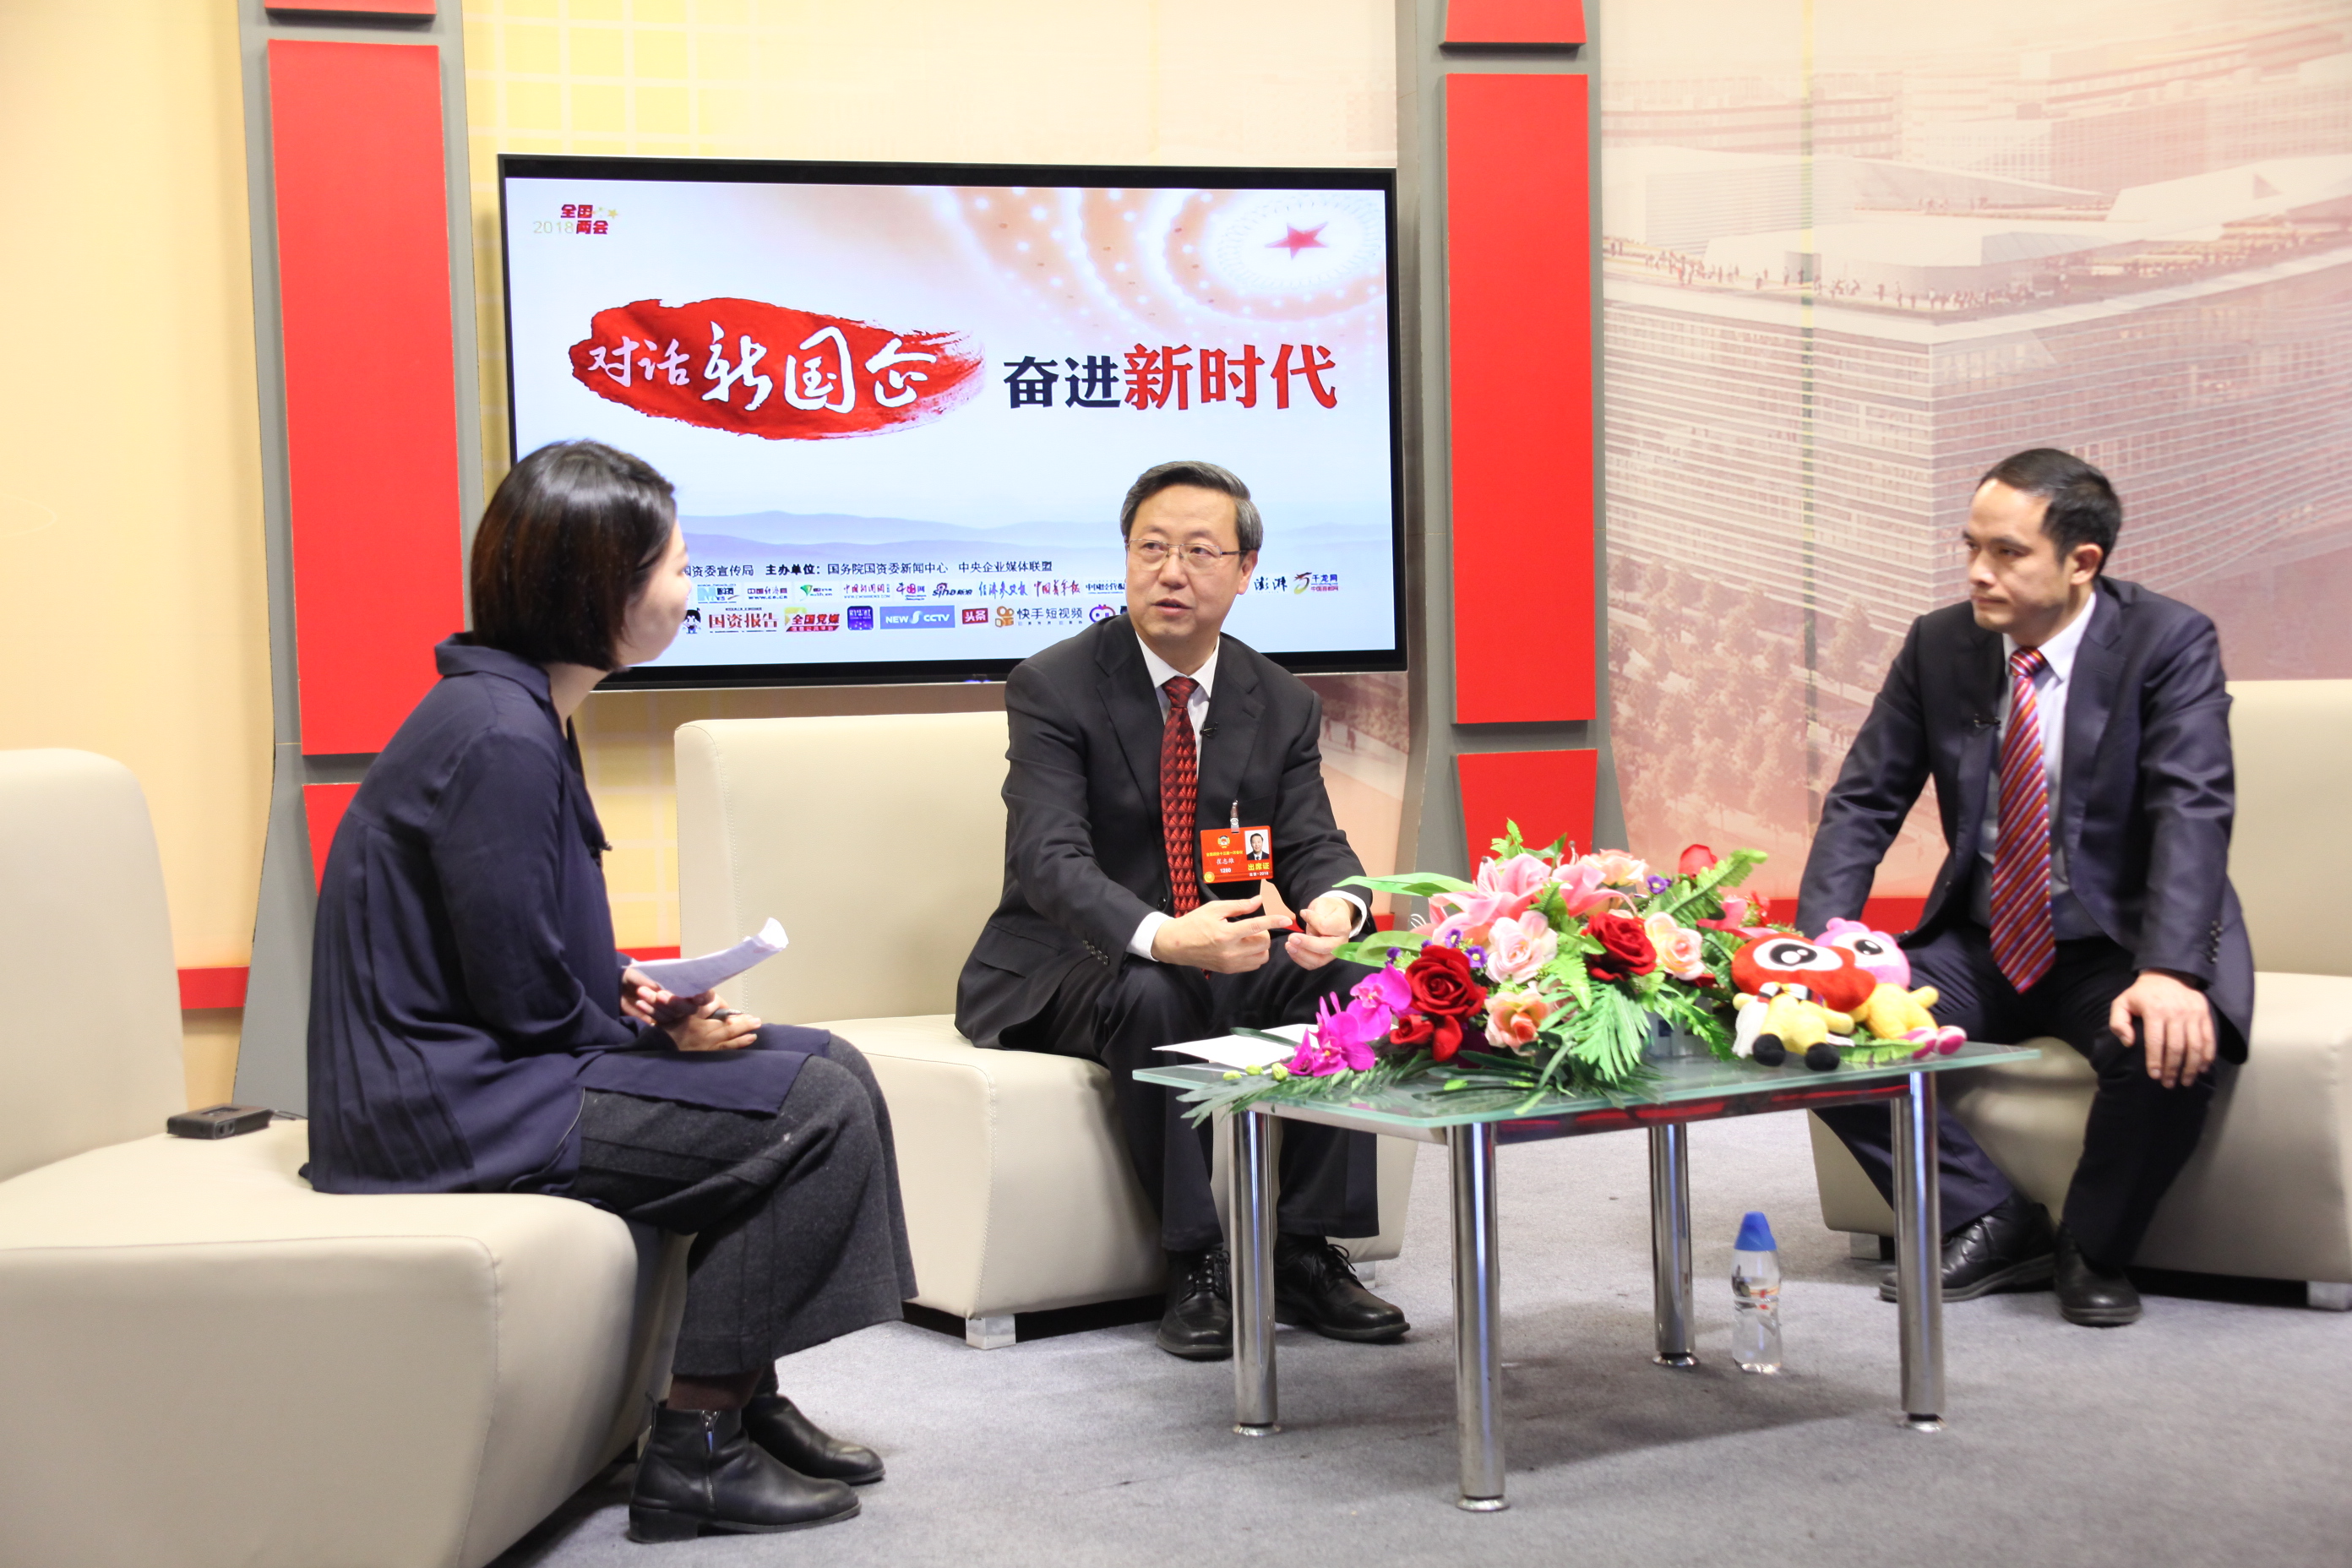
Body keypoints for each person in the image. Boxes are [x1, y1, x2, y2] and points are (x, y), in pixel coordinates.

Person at [305, 441, 917, 1542]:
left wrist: (635, 993)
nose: (691, 589)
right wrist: (656, 1039)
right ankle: (698, 1449)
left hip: (480, 1076)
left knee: (828, 1064)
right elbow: (519, 995)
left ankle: (746, 1391)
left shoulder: (515, 709)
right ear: (603, 590)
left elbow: (515, 946)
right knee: (815, 1108)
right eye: (677, 567)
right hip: (449, 1111)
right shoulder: (500, 736)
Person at [954, 460, 1408, 1360]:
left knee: (1355, 980)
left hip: (1221, 949)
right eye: (1151, 548)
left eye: (1200, 552)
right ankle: (1193, 1261)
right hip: (1071, 960)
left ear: (1245, 571)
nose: (1170, 572)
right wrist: (1164, 936)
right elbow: (1048, 860)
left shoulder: (1280, 700)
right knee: (1156, 988)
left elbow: (1313, 841)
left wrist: (1337, 907)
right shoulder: (1054, 685)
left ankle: (1304, 1248)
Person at [1796, 448, 2251, 1328]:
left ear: (2083, 562)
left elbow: (2192, 810)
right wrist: (1817, 945)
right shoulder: (1940, 643)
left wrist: (2171, 969)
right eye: (1971, 546)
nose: (1978, 571)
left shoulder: (2168, 641)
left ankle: (2094, 1244)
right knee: (1807, 1024)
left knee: (2166, 1043)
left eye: (2007, 552)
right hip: (1982, 943)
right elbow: (1865, 800)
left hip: (2119, 942)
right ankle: (1988, 1218)